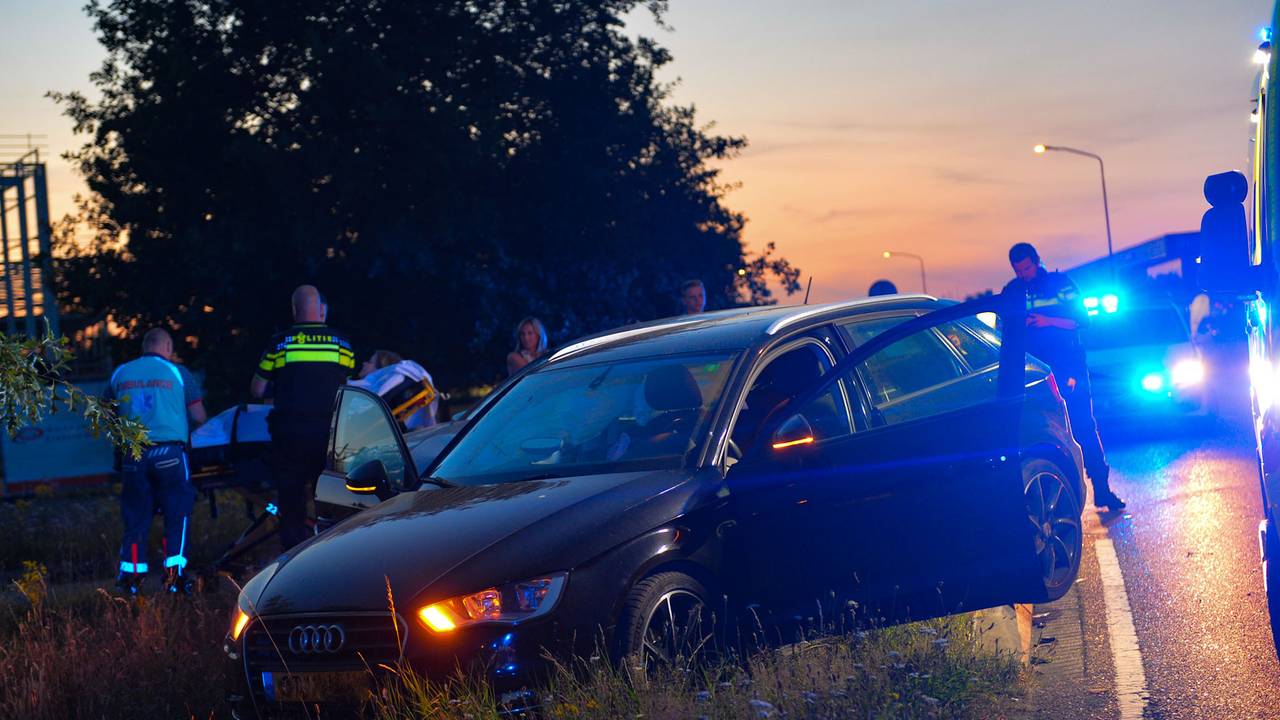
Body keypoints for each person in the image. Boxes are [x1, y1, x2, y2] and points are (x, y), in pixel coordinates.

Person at [1004, 243, 1125, 510]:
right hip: (1033, 372)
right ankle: (1046, 498)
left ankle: (1102, 490)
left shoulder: (1060, 284)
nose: (1023, 273)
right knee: (1040, 431)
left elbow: (1084, 320)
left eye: (1027, 267)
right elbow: (1005, 328)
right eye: (1018, 269)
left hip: (1069, 365)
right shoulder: (1013, 291)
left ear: (1037, 261)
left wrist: (1047, 321)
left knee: (1083, 426)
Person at [250, 285, 355, 549]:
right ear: (321, 310)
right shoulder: (341, 343)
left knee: (291, 501)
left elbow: (257, 389)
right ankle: (334, 554)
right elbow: (352, 387)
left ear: (295, 310)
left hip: (289, 435)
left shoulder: (279, 343)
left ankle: (292, 563)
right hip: (330, 435)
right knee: (331, 500)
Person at [107, 328, 208, 595]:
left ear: (144, 346)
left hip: (133, 456)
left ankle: (131, 579)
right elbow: (198, 416)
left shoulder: (121, 373)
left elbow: (106, 414)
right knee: (177, 515)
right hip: (169, 456)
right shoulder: (178, 373)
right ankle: (175, 577)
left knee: (136, 518)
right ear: (166, 346)